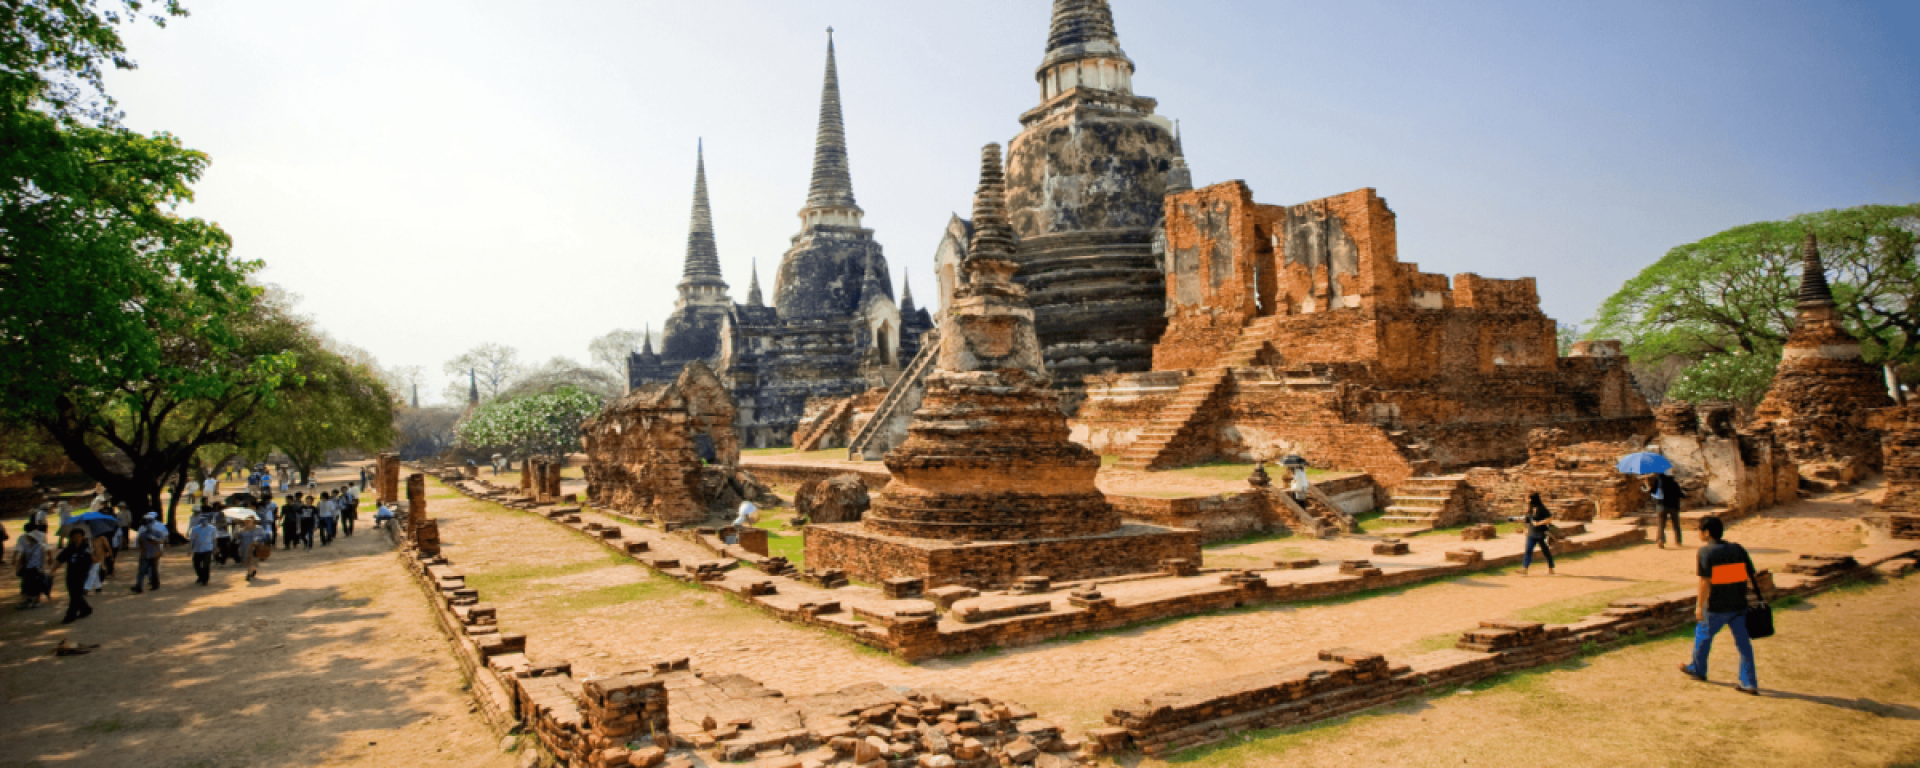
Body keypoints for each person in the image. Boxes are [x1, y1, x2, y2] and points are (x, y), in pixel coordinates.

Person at [1680, 515, 1764, 695]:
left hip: (1716, 606)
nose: (1698, 533)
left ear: (1707, 532)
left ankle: (1698, 668)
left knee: (1702, 636)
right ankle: (1749, 683)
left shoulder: (1706, 552)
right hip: (1738, 605)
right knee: (1744, 645)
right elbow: (1750, 576)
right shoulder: (1737, 549)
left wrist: (1699, 606)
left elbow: (1705, 582)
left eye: (1699, 530)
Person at [49, 527, 97, 624]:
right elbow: (59, 560)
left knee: (76, 596)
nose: (77, 539)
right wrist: (52, 571)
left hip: (83, 576)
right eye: (75, 537)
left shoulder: (87, 549)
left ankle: (70, 615)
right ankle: (86, 609)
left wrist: (92, 554)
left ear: (82, 537)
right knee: (74, 594)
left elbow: (95, 561)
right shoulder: (68, 549)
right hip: (71, 575)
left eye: (79, 537)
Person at [1645, 473, 1686, 549]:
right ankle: (1678, 541)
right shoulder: (1674, 483)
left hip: (1661, 506)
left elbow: (1652, 492)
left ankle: (1660, 540)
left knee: (1661, 525)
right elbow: (1681, 494)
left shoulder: (1658, 483)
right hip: (1673, 506)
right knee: (1676, 524)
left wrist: (1647, 485)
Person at [13, 522, 49, 609]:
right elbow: (22, 557)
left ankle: (36, 600)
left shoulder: (40, 547)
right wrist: (19, 567)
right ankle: (27, 600)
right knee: (25, 585)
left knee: (37, 585)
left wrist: (42, 569)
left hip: (36, 569)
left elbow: (43, 558)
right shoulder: (27, 546)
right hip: (28, 568)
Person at [1519, 493, 1556, 576]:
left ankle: (1550, 568)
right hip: (1531, 533)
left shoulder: (1541, 508)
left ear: (1533, 499)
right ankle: (1525, 569)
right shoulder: (1530, 509)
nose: (1527, 500)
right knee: (1528, 550)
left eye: (1528, 498)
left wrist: (1539, 523)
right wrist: (1527, 529)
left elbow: (1550, 518)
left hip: (1540, 533)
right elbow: (1528, 521)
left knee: (1545, 551)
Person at [131, 512, 165, 593]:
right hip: (151, 554)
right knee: (151, 570)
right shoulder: (154, 532)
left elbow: (161, 541)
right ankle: (150, 585)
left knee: (146, 571)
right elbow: (161, 541)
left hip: (148, 554)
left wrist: (153, 540)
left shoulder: (146, 533)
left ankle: (143, 586)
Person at [189, 514, 218, 586]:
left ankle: (205, 580)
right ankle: (201, 576)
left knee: (206, 565)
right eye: (202, 520)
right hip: (197, 549)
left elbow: (214, 539)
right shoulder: (195, 529)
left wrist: (215, 548)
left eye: (205, 520)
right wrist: (190, 549)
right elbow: (192, 540)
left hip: (207, 549)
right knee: (196, 565)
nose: (203, 521)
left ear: (208, 520)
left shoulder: (212, 528)